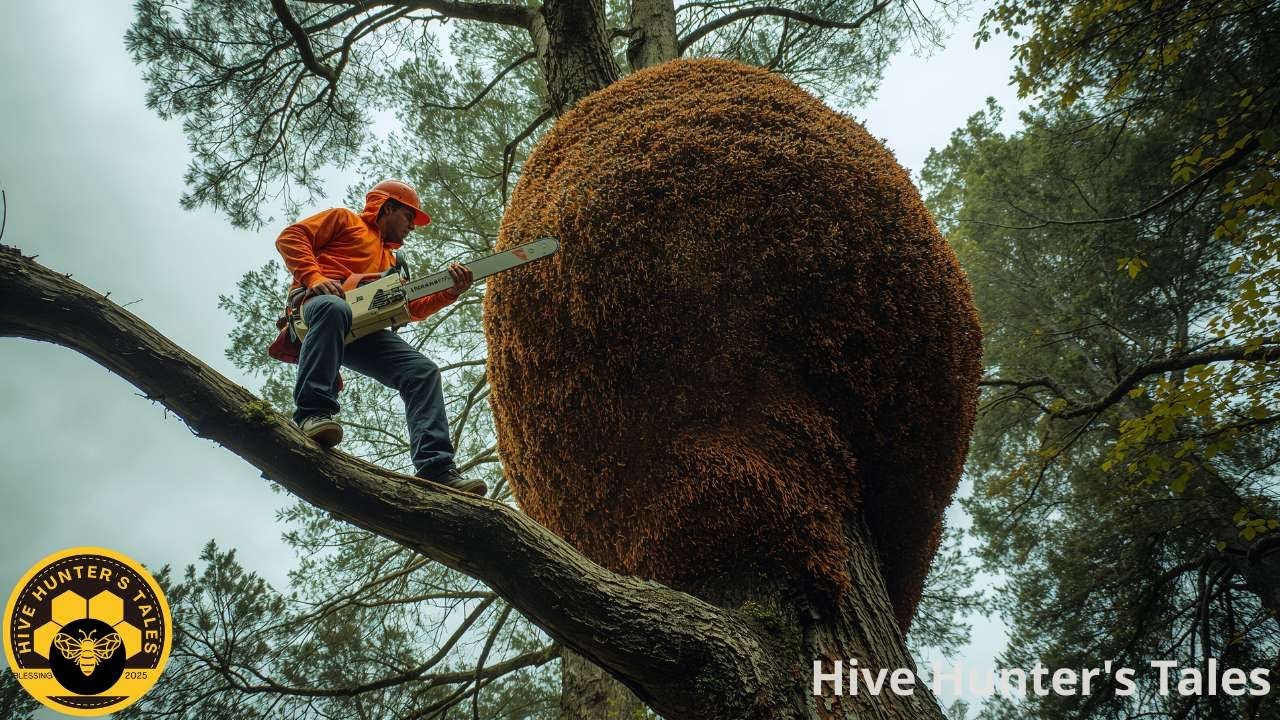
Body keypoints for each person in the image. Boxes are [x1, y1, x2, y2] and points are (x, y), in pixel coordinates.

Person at [271, 179, 486, 495]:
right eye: (409, 217)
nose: (412, 226)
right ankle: (313, 413)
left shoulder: (392, 263)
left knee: (421, 371)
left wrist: (450, 291)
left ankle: (436, 469)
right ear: (388, 207)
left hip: (362, 328)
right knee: (334, 308)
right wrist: (315, 278)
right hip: (319, 310)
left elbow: (411, 308)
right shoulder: (345, 220)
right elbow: (291, 236)